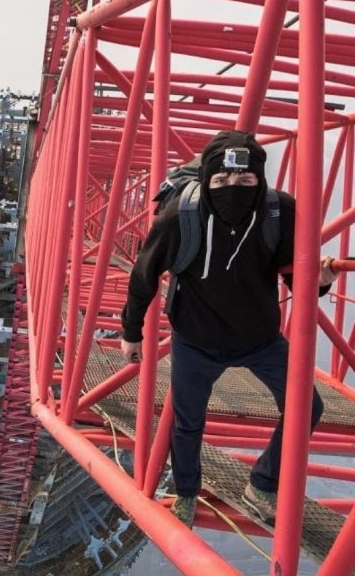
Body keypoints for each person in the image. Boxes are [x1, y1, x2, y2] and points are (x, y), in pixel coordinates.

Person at [120, 130, 338, 527]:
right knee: (188, 421)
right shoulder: (179, 217)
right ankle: (186, 492)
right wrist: (131, 332)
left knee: (309, 407)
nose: (232, 189)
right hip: (196, 339)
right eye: (220, 181)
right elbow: (143, 276)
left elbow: (298, 280)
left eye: (245, 180)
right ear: (206, 181)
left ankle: (263, 484)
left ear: (260, 180)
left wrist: (321, 279)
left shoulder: (279, 212)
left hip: (260, 339)